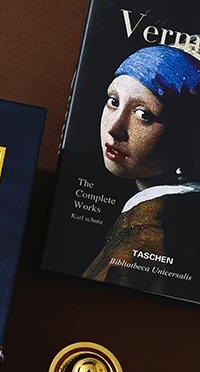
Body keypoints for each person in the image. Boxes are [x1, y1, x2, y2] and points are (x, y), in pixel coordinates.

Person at [83, 44, 200, 297]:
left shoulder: (149, 236)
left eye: (143, 115)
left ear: (186, 136)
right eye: (113, 102)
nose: (114, 128)